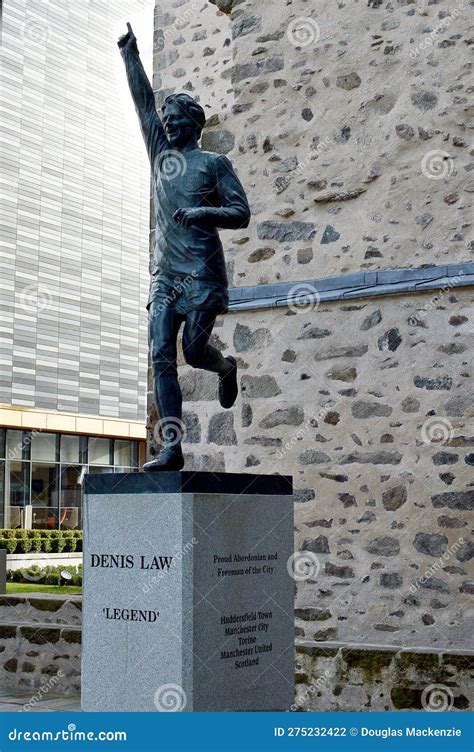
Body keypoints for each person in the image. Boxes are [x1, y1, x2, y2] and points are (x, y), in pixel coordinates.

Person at [118, 23, 251, 471]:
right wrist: (130, 54)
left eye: (176, 120)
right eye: (166, 120)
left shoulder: (214, 164)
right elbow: (143, 105)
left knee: (193, 351)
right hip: (166, 277)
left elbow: (240, 213)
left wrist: (202, 214)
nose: (168, 124)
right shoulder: (161, 156)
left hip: (203, 272)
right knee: (160, 355)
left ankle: (225, 367)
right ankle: (172, 447)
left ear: (193, 125)